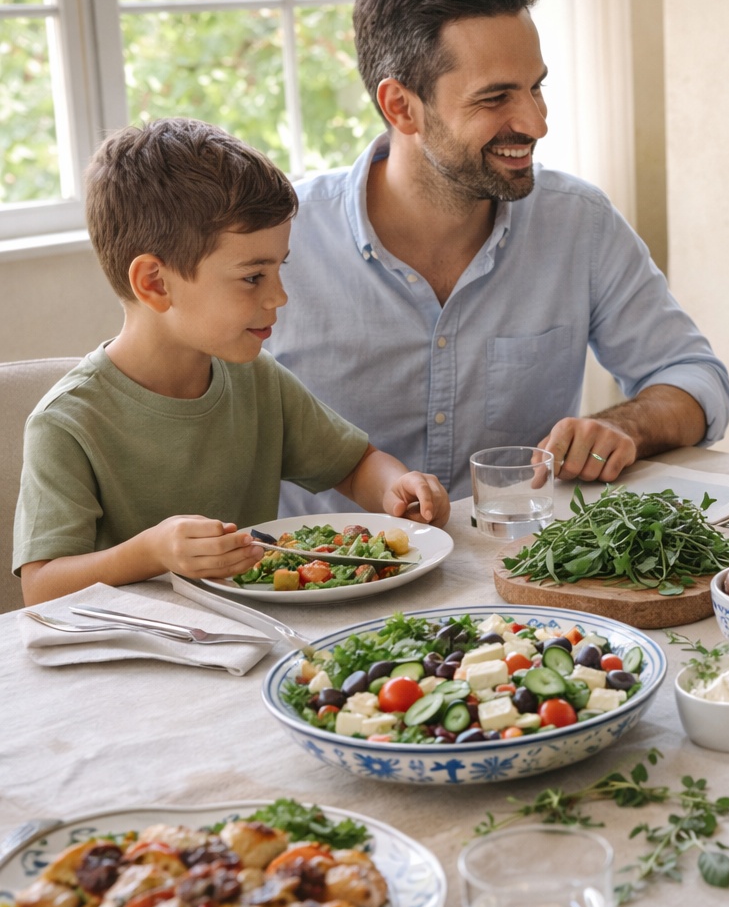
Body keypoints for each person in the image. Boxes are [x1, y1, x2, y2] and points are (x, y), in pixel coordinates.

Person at [268, 0, 729, 515]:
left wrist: (623, 427)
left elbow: (695, 380)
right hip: (329, 589)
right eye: (496, 98)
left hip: (523, 577)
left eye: (535, 87)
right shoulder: (279, 244)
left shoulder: (577, 222)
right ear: (401, 107)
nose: (536, 123)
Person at [13, 119, 450, 605]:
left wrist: (396, 488)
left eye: (279, 268)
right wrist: (151, 552)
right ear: (155, 283)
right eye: (252, 277)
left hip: (253, 633)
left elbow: (352, 465)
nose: (279, 297)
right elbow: (41, 586)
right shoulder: (67, 422)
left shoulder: (256, 378)